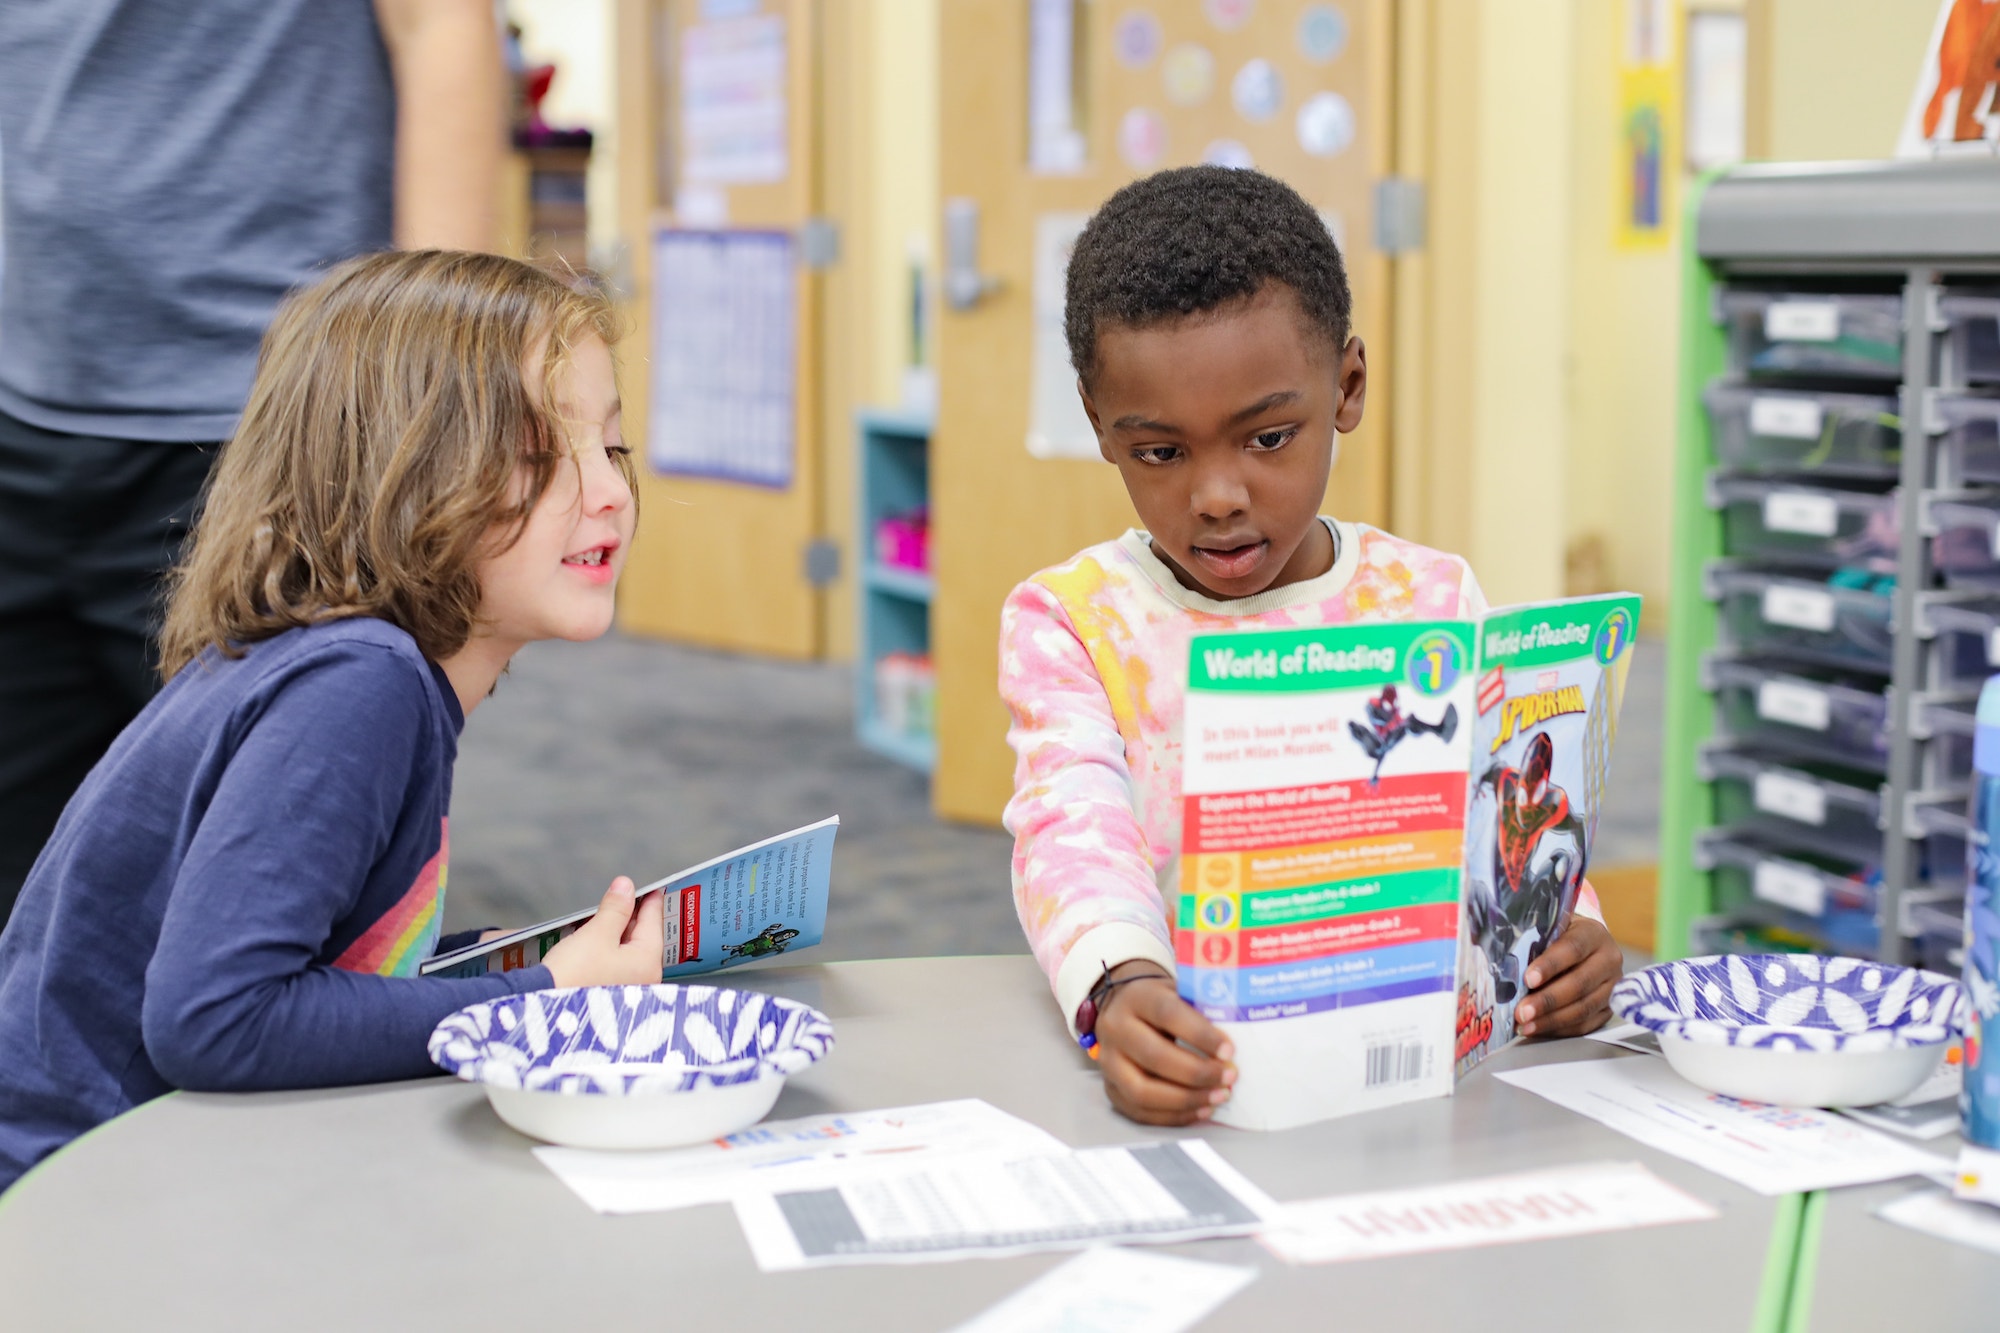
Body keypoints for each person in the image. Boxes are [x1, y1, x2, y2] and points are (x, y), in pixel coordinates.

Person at [0, 251, 664, 1193]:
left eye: (613, 448)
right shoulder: (362, 686)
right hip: (75, 1200)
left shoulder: (355, 669)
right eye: (537, 454)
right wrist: (546, 1000)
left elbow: (308, 953)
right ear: (403, 477)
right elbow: (216, 1018)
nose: (607, 490)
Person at [999, 167, 1624, 1128]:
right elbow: (1069, 831)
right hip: (1204, 1068)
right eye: (1161, 452)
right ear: (1100, 426)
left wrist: (1571, 934)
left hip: (1413, 1091)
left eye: (1268, 436)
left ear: (1348, 385)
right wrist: (1120, 983)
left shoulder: (1431, 599)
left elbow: (1501, 820)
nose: (1216, 494)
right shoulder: (1074, 620)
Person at [0, 0, 506, 927]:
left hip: (266, 425)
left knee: (272, 917)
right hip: (22, 400)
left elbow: (440, 21)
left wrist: (436, 383)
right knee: (30, 913)